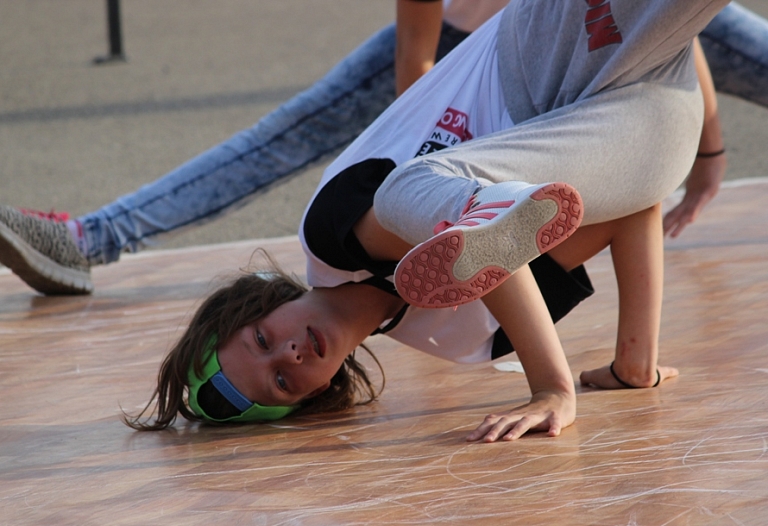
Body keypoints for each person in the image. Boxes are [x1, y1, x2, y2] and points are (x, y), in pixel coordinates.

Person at [126, 0, 727, 442]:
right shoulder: (461, 339)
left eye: (262, 339)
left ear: (262, 304)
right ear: (320, 395)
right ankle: (488, 216)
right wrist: (633, 366)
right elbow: (628, 208)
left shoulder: (328, 238)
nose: (289, 353)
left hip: (536, 61)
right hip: (634, 118)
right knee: (627, 177)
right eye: (283, 382)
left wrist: (553, 387)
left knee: (404, 196)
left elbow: (398, 216)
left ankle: (478, 208)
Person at [0, 1, 765, 295]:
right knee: (291, 134)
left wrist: (707, 152)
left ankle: (88, 236)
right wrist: (467, 173)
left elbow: (652, 45)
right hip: (477, 56)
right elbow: (416, 75)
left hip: (597, 47)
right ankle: (88, 236)